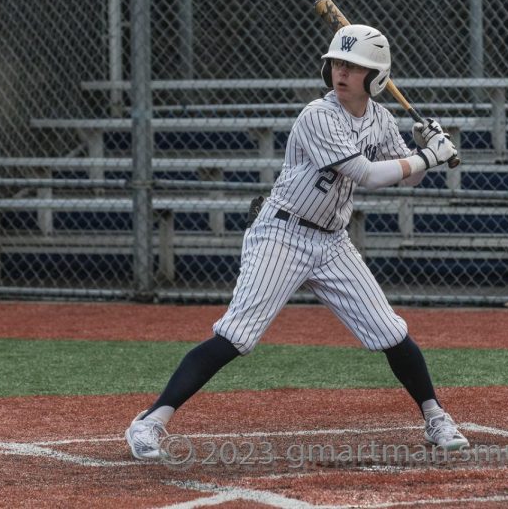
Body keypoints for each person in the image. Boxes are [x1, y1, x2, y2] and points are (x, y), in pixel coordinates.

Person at [125, 24, 466, 460]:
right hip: (282, 233)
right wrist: (427, 157)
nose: (342, 72)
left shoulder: (380, 119)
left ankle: (436, 417)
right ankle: (150, 422)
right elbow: (367, 174)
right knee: (237, 336)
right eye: (338, 64)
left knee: (390, 331)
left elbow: (406, 176)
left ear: (376, 77)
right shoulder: (317, 115)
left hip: (333, 241)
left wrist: (426, 148)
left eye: (355, 67)